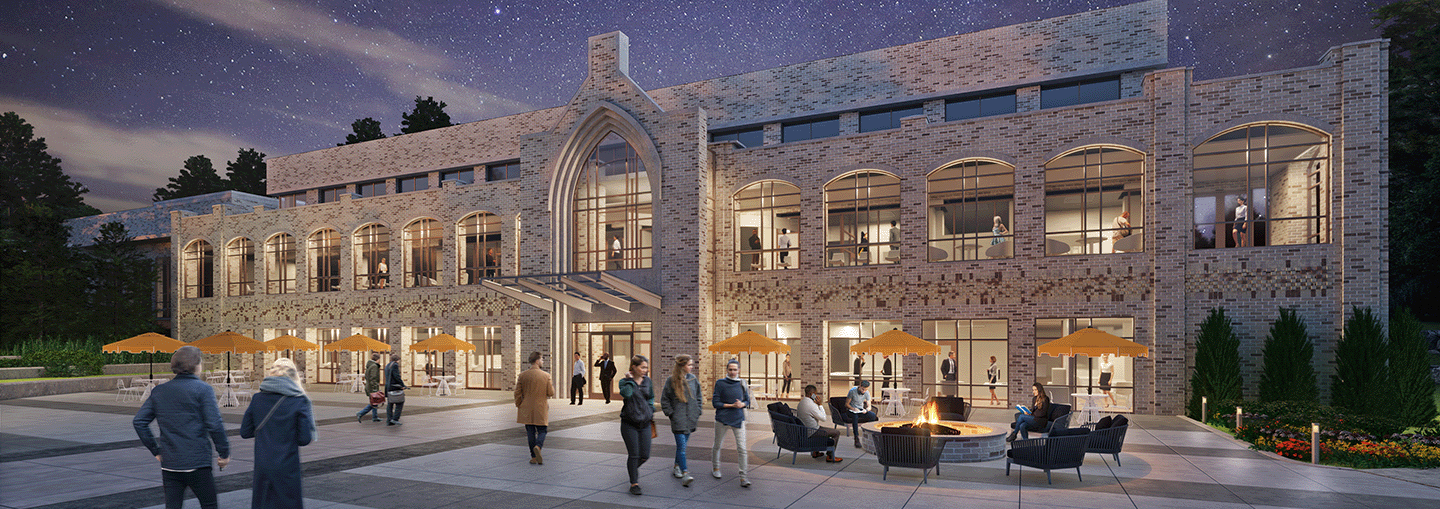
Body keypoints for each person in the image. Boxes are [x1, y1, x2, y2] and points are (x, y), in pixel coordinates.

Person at [133, 345, 230, 509]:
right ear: (196, 365)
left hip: (170, 463)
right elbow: (214, 424)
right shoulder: (203, 389)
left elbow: (139, 421)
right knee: (209, 505)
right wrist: (224, 453)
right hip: (198, 462)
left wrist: (156, 450)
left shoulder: (160, 391)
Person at [240, 358, 316, 509]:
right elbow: (304, 438)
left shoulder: (257, 399)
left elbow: (245, 431)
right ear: (293, 377)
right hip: (287, 464)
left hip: (262, 464)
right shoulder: (299, 401)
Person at [660, 354, 702, 487]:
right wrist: (671, 414)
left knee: (682, 447)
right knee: (682, 447)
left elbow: (699, 397)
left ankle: (676, 466)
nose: (692, 367)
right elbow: (664, 399)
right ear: (682, 366)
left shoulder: (693, 379)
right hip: (678, 419)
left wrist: (697, 411)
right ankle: (685, 473)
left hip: (690, 419)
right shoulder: (671, 381)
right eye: (689, 365)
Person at [711, 359, 752, 487]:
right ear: (727, 370)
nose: (733, 372)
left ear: (739, 370)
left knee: (742, 448)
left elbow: (748, 400)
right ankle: (716, 468)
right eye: (730, 369)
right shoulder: (720, 383)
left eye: (735, 369)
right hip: (722, 418)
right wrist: (731, 405)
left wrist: (742, 404)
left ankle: (743, 477)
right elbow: (715, 403)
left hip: (738, 419)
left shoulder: (742, 383)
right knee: (717, 444)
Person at [618, 355, 654, 495]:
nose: (645, 370)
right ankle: (634, 483)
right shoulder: (624, 382)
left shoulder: (648, 381)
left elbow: (651, 396)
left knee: (645, 455)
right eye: (642, 367)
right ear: (634, 367)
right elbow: (626, 394)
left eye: (646, 367)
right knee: (634, 455)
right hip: (629, 423)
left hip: (645, 423)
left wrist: (650, 409)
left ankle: (632, 469)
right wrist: (629, 380)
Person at [515, 351, 554, 464]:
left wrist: (519, 404)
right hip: (540, 407)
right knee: (542, 431)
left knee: (530, 432)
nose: (542, 361)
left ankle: (533, 457)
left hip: (526, 408)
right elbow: (551, 392)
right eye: (542, 359)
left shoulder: (522, 375)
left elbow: (517, 393)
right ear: (537, 360)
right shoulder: (546, 376)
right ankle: (538, 446)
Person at [796, 385, 844, 463]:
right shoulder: (811, 405)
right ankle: (830, 456)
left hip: (805, 429)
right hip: (812, 431)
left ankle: (816, 452)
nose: (816, 395)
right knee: (836, 433)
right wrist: (820, 404)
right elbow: (823, 418)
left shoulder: (801, 402)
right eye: (815, 393)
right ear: (812, 394)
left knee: (820, 427)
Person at [845, 380, 879, 448]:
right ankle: (856, 437)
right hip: (851, 410)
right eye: (863, 389)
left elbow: (869, 406)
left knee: (873, 415)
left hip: (860, 410)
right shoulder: (852, 391)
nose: (864, 391)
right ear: (860, 386)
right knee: (855, 417)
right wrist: (853, 409)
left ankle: (867, 433)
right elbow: (846, 404)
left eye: (866, 389)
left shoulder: (866, 393)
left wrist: (866, 410)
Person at [355, 352, 382, 423]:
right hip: (372, 387)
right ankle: (361, 413)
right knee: (373, 402)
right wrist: (375, 389)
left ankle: (375, 417)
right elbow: (373, 378)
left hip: (369, 386)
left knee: (374, 402)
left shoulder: (370, 365)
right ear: (378, 359)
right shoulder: (374, 366)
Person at [384, 353, 407, 425]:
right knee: (400, 402)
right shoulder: (395, 365)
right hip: (394, 387)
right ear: (397, 360)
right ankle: (395, 418)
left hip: (388, 387)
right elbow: (397, 376)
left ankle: (389, 420)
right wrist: (402, 385)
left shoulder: (387, 365)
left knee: (390, 404)